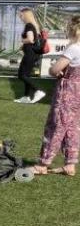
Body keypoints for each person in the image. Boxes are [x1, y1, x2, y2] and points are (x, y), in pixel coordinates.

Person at [32, 16, 80, 176]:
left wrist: (55, 69)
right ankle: (70, 164)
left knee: (56, 125)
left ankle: (43, 163)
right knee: (72, 127)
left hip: (67, 93)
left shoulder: (74, 48)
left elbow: (54, 70)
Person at [15, 7, 45, 104]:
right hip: (34, 54)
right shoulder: (34, 26)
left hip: (30, 54)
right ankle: (26, 97)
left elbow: (30, 39)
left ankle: (38, 90)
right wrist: (23, 46)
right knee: (26, 75)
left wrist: (22, 41)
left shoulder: (28, 25)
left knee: (21, 75)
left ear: (25, 15)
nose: (20, 17)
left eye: (21, 15)